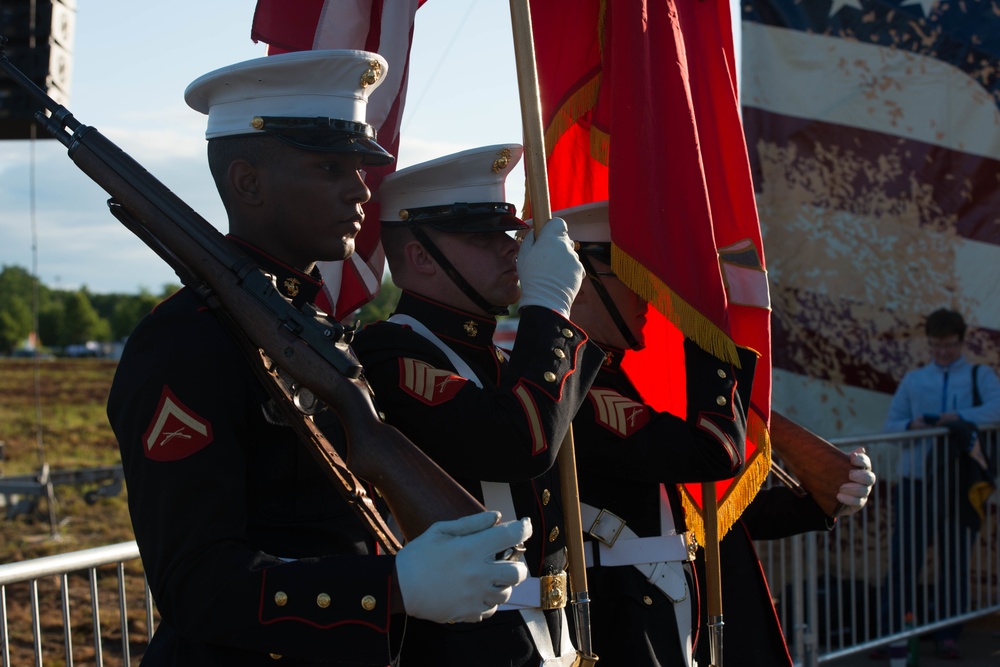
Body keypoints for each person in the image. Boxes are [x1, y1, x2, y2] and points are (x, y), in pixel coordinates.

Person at [107, 50, 531, 666]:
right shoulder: (186, 342)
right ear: (248, 181)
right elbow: (194, 583)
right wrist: (389, 588)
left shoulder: (315, 326)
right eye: (330, 167)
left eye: (358, 169)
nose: (360, 191)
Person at [560, 200, 875, 667]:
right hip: (621, 625)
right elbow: (710, 457)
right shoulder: (577, 386)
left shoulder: (614, 377)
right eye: (632, 279)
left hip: (663, 616)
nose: (649, 296)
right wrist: (708, 332)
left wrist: (812, 503)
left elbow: (688, 508)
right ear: (581, 283)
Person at [351, 145, 606, 666]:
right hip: (469, 640)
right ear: (420, 257)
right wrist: (550, 307)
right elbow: (518, 443)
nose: (510, 249)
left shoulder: (497, 355)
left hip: (548, 633)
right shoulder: (391, 352)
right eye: (481, 237)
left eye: (507, 234)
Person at [879, 307, 1000, 659]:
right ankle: (893, 635)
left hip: (958, 484)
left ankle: (949, 633)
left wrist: (957, 418)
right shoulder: (915, 380)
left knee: (955, 560)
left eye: (948, 346)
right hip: (915, 482)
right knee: (905, 560)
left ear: (961, 342)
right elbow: (891, 426)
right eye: (936, 346)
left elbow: (996, 409)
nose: (942, 353)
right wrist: (911, 427)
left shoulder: (981, 375)